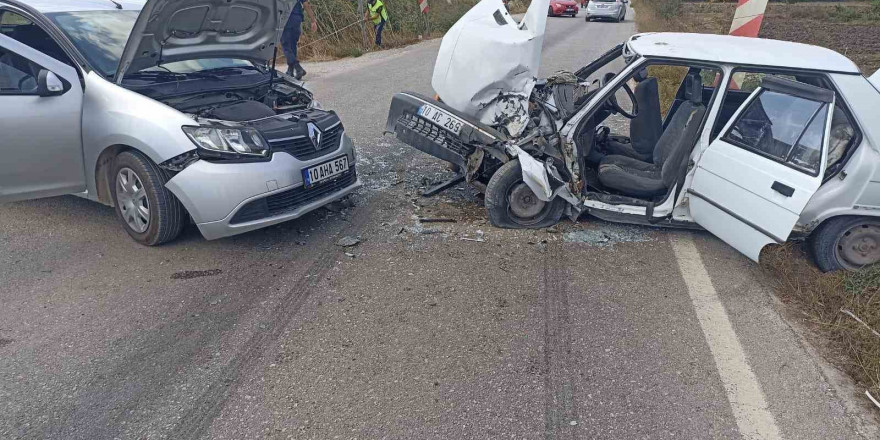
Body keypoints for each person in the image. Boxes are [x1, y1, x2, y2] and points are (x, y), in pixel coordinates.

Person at [281, 0, 317, 79]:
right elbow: (306, 4)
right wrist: (313, 20)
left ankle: (298, 68)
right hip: (297, 19)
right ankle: (290, 71)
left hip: (285, 19)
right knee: (292, 45)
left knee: (286, 46)